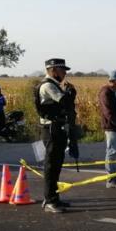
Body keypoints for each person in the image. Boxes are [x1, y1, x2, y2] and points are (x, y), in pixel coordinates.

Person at [35, 58, 80, 213]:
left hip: (57, 128)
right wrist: (70, 92)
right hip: (51, 129)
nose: (65, 73)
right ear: (53, 70)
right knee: (51, 165)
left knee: (57, 164)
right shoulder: (48, 86)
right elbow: (64, 102)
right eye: (62, 70)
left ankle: (55, 198)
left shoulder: (54, 85)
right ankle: (49, 200)